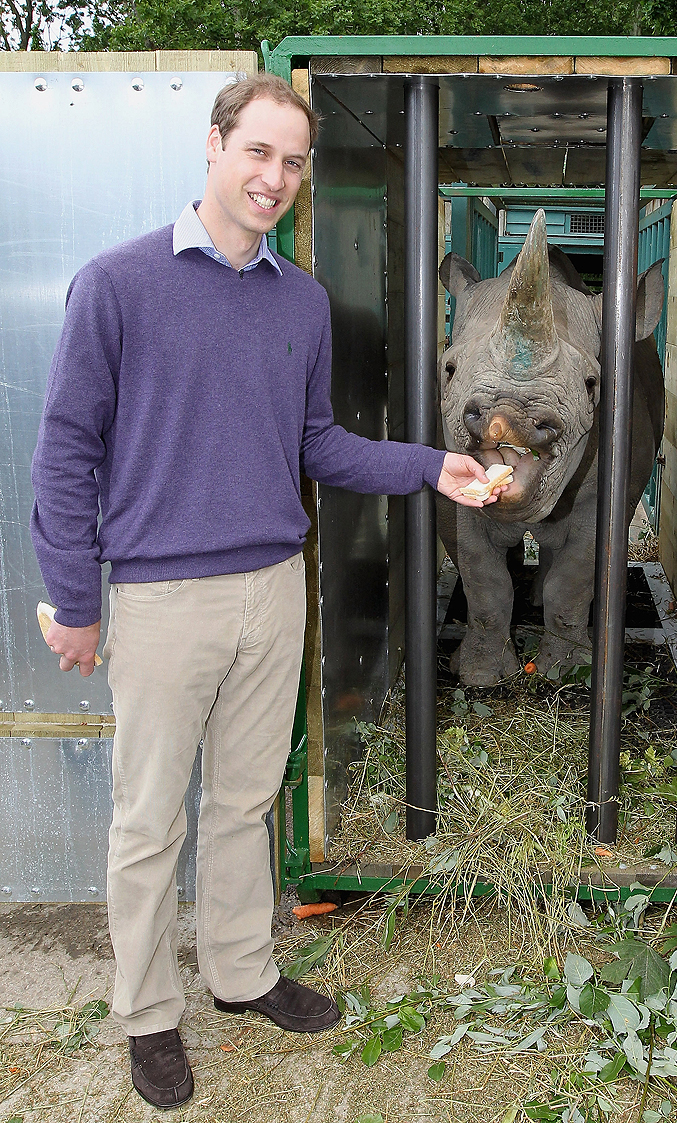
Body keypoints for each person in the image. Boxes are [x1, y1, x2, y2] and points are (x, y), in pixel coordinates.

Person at [30, 73, 504, 1110]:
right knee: (149, 820)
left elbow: (316, 444)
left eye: (292, 163)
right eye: (258, 153)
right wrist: (75, 598)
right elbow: (65, 451)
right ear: (213, 146)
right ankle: (147, 1014)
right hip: (161, 599)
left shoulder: (299, 299)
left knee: (245, 800)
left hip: (271, 586)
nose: (275, 178)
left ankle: (240, 972)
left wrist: (434, 467)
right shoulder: (118, 284)